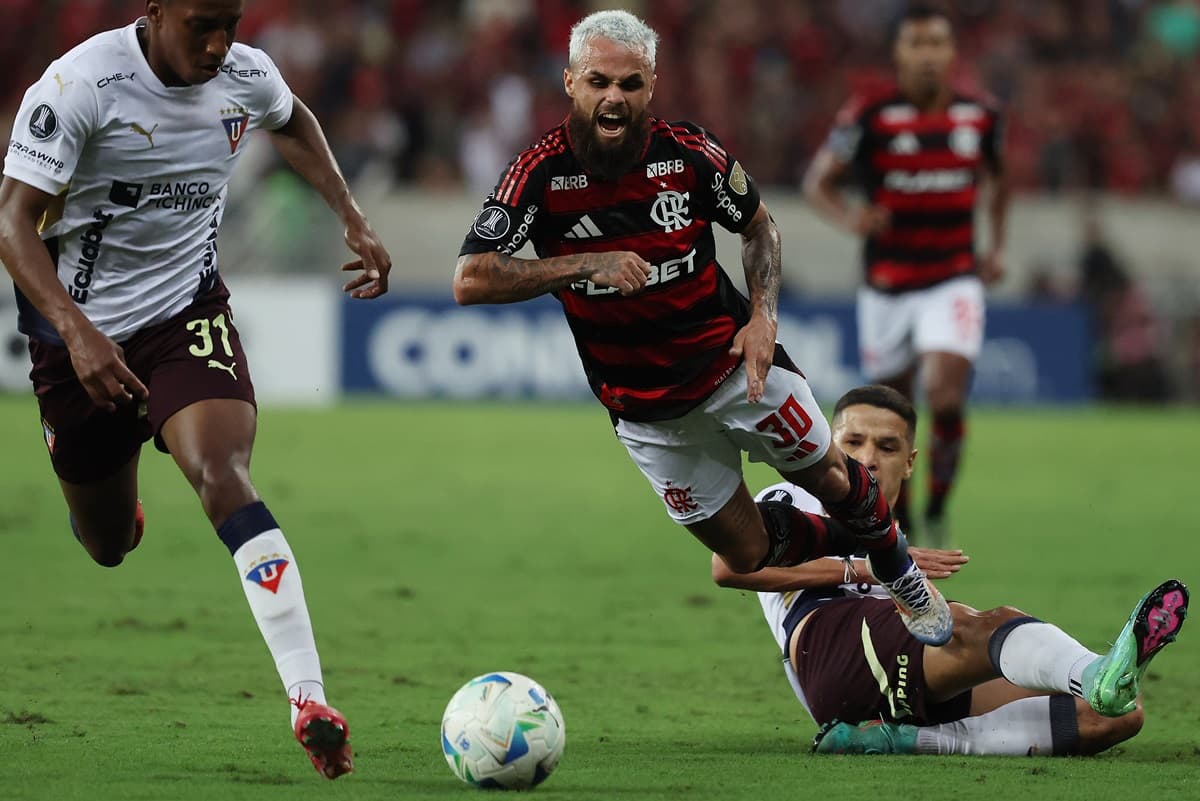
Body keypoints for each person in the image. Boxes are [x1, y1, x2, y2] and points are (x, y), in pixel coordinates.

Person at [453, 9, 952, 644]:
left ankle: (894, 565)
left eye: (630, 85)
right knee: (748, 552)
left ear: (651, 86)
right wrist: (583, 264)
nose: (614, 98)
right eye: (599, 81)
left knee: (826, 474)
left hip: (731, 367)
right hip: (645, 410)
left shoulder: (687, 153)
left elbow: (758, 225)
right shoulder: (540, 174)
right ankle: (874, 538)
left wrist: (764, 317)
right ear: (571, 82)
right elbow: (470, 277)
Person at [0, 0, 392, 780]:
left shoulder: (245, 74)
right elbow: (13, 222)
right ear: (155, 10)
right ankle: (112, 502)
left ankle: (308, 697)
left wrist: (349, 212)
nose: (220, 45)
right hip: (79, 340)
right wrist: (76, 331)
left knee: (224, 476)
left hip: (186, 317)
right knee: (108, 545)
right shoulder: (80, 84)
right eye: (202, 25)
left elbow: (293, 121)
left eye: (232, 24)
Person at [711, 385, 1188, 756]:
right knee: (980, 626)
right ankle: (1096, 670)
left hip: (886, 662)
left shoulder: (890, 529)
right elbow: (728, 567)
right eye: (853, 441)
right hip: (828, 648)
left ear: (910, 462)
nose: (869, 458)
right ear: (828, 444)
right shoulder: (795, 499)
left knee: (1114, 718)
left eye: (887, 446)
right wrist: (866, 569)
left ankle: (899, 740)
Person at [803, 4, 1010, 546]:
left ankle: (938, 503)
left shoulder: (980, 116)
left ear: (951, 53)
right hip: (887, 286)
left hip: (953, 277)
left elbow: (1001, 179)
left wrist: (997, 247)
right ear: (899, 54)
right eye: (916, 44)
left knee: (944, 395)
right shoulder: (869, 115)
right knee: (895, 411)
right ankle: (906, 517)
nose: (926, 56)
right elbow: (817, 182)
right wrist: (852, 217)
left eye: (936, 44)